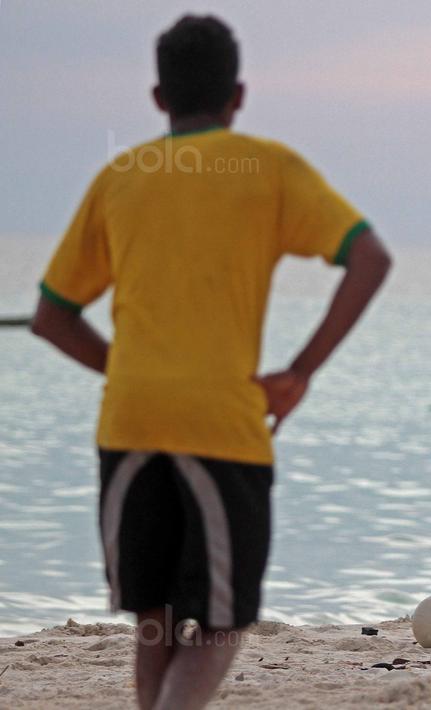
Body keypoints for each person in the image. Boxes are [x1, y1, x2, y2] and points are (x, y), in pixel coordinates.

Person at [30, 15, 391, 710]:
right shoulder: (269, 168)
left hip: (129, 422)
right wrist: (300, 371)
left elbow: (52, 316)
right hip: (220, 425)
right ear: (239, 95)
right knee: (224, 621)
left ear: (159, 97)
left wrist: (125, 369)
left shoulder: (119, 177)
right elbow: (368, 258)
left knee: (155, 615)